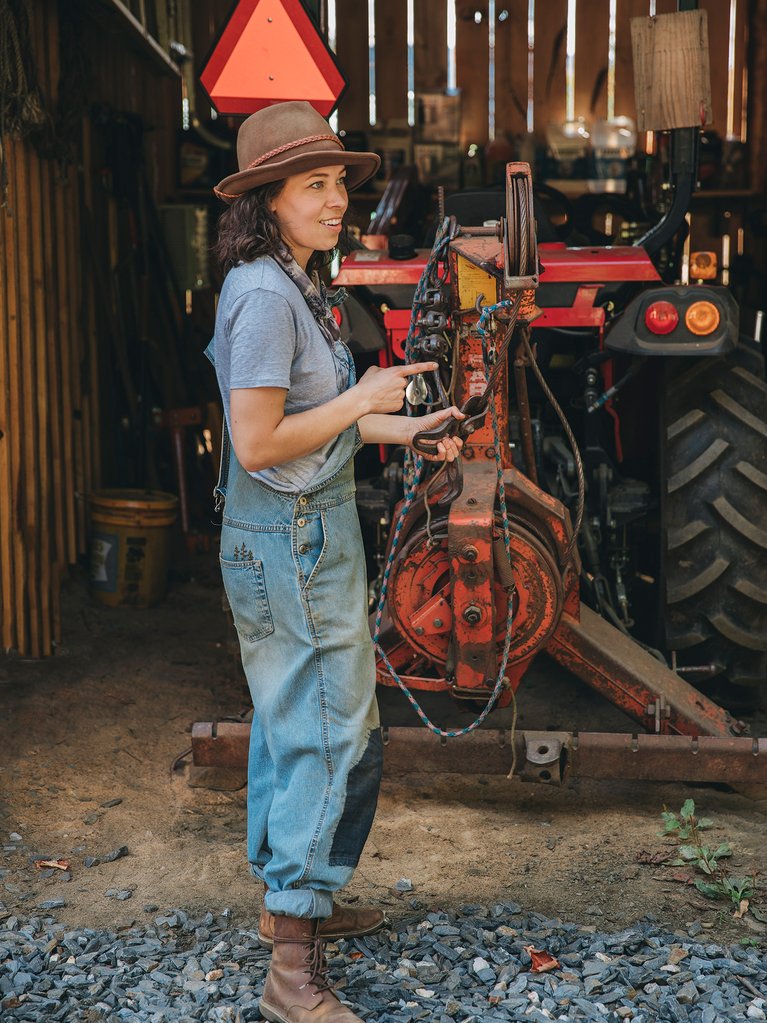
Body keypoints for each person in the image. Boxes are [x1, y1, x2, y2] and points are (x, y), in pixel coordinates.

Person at [207, 101, 463, 1023]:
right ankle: (291, 973)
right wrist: (361, 395)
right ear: (268, 199)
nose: (337, 199)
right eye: (314, 184)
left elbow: (319, 427)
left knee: (290, 724)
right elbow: (259, 442)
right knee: (330, 731)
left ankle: (295, 906)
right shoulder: (270, 295)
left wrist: (399, 425)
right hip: (293, 537)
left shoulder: (288, 278)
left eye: (340, 181)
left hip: (294, 532)